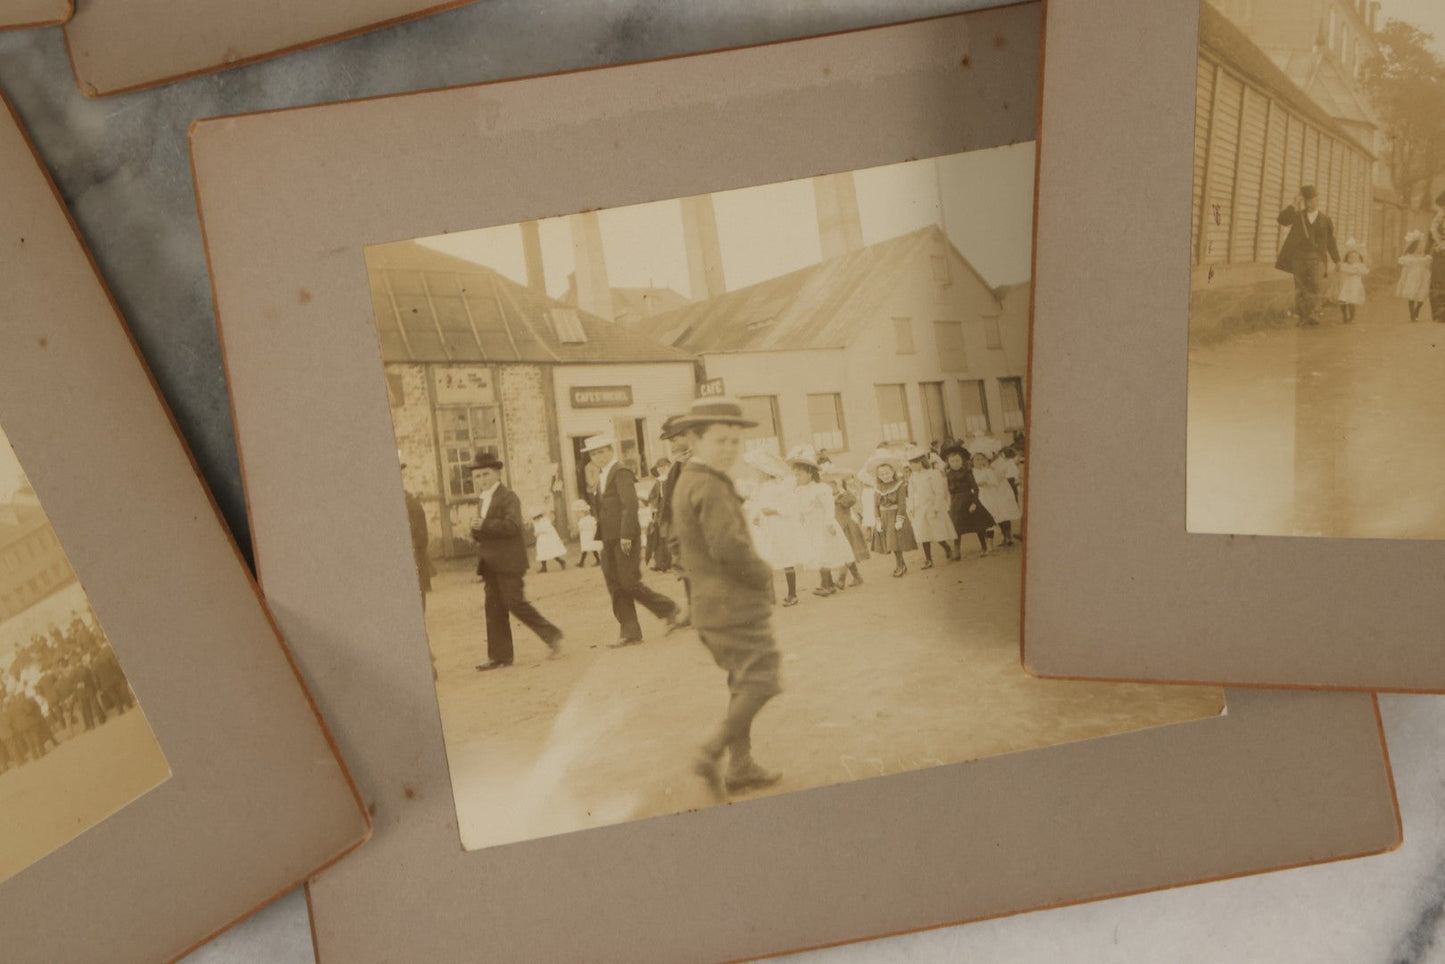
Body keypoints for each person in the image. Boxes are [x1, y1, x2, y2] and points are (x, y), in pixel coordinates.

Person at [669, 399, 783, 801]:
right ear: (695, 440)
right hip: (732, 606)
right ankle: (711, 751)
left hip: (712, 606)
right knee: (763, 678)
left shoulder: (691, 479)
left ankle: (741, 765)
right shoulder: (709, 485)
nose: (730, 449)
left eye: (736, 441)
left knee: (742, 679)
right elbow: (730, 548)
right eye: (721, 440)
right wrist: (763, 572)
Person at [467, 452, 563, 671]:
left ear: (497, 473)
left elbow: (512, 526)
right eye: (478, 476)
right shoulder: (483, 500)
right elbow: (484, 530)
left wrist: (484, 525)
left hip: (509, 561)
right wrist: (475, 530)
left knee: (514, 603)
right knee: (493, 608)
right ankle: (500, 657)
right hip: (490, 563)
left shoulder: (508, 497)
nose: (481, 480)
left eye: (486, 474)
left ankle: (553, 635)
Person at [583, 435, 681, 647]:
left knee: (629, 582)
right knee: (615, 585)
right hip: (608, 538)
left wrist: (626, 534)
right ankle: (630, 632)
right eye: (593, 454)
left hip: (624, 537)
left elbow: (629, 505)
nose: (598, 457)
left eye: (601, 452)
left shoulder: (621, 472)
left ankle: (670, 610)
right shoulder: (602, 476)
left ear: (610, 450)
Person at [785, 446, 857, 597]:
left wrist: (829, 523)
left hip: (824, 524)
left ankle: (826, 585)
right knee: (817, 552)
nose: (797, 478)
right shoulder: (798, 491)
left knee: (825, 551)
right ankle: (828, 583)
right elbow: (798, 510)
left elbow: (829, 507)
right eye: (795, 475)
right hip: (810, 526)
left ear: (810, 474)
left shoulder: (821, 488)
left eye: (800, 475)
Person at [744, 448, 808, 607]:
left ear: (766, 471)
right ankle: (769, 594)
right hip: (765, 527)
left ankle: (792, 594)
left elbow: (791, 506)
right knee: (766, 558)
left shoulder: (780, 486)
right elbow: (756, 506)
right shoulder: (760, 488)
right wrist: (756, 516)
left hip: (779, 526)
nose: (756, 474)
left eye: (758, 471)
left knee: (786, 558)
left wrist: (775, 511)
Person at [1276, 185, 1341, 327]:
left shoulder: (1325, 220)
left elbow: (1330, 241)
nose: (1311, 203)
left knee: (1315, 286)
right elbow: (1282, 220)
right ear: (1304, 201)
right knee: (1300, 287)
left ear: (1318, 200)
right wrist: (1294, 203)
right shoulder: (1298, 216)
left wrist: (1337, 260)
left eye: (1314, 199)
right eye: (1308, 200)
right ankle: (1303, 317)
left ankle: (1311, 314)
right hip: (1298, 258)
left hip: (1317, 259)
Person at [903, 445, 957, 568]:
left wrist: (936, 507)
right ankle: (928, 559)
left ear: (921, 462)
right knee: (923, 534)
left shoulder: (933, 474)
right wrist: (911, 507)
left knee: (937, 532)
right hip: (920, 508)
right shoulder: (913, 477)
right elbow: (911, 494)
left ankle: (947, 548)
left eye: (913, 463)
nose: (910, 466)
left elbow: (939, 492)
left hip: (932, 506)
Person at [867, 455, 917, 577]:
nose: (885, 476)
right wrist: (878, 521)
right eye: (882, 474)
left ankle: (900, 566)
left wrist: (899, 520)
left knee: (896, 542)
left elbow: (902, 503)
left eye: (887, 473)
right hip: (884, 517)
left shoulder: (898, 485)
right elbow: (875, 506)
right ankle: (902, 565)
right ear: (878, 476)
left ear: (893, 472)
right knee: (892, 543)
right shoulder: (878, 488)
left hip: (895, 515)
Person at [973, 450, 1021, 551]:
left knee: (1000, 514)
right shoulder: (972, 472)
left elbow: (994, 482)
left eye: (982, 459)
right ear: (972, 460)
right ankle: (989, 543)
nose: (980, 461)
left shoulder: (988, 470)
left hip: (992, 495)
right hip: (982, 496)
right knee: (988, 518)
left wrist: (987, 481)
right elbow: (973, 484)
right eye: (977, 459)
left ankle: (1007, 537)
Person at [1397, 229, 1431, 323]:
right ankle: (1412, 315)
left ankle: (1417, 310)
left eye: (1422, 246)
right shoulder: (1409, 258)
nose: (1420, 248)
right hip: (1412, 277)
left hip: (1423, 277)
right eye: (1418, 246)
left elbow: (1429, 266)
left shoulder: (1426, 257)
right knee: (1411, 295)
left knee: (1422, 295)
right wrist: (1403, 279)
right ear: (1414, 247)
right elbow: (1404, 266)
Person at [1336, 240, 1368, 325]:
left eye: (1355, 257)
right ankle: (1344, 316)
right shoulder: (1345, 265)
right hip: (1346, 285)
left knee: (1351, 301)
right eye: (1350, 257)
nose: (1352, 259)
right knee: (1342, 300)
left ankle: (1352, 317)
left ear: (1358, 259)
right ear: (1347, 258)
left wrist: (1358, 271)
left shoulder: (1359, 266)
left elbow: (1364, 271)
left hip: (1355, 285)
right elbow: (1340, 269)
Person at [1430, 191, 1445, 323]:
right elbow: (1433, 231)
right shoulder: (1439, 218)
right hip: (1441, 251)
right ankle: (1440, 312)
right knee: (1439, 281)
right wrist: (1440, 243)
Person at [573, 499, 601, 567]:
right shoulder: (591, 519)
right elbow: (594, 526)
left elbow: (580, 528)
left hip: (587, 536)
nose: (579, 514)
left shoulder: (583, 520)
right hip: (588, 535)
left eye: (580, 513)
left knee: (588, 548)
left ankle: (582, 562)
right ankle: (582, 562)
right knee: (589, 549)